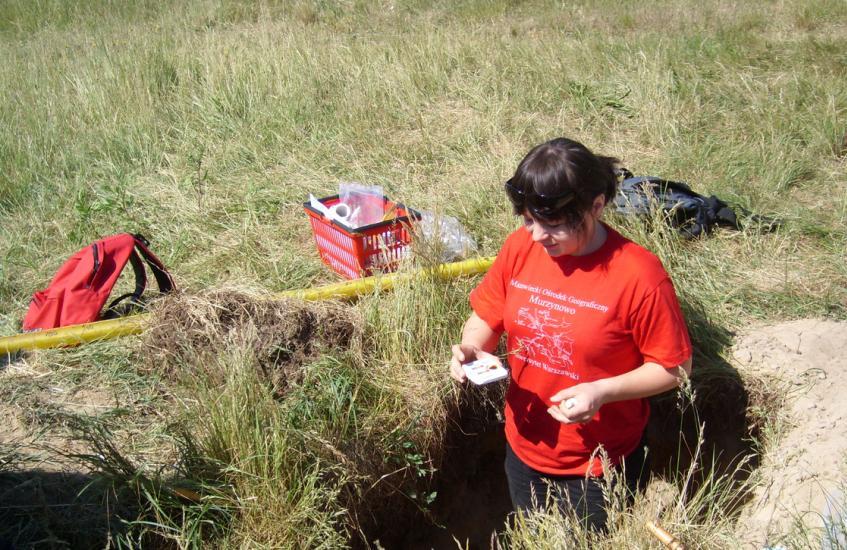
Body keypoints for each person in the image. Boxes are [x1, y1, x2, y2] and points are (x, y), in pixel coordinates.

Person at [449, 137, 693, 531]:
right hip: (523, 446)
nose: (537, 236)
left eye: (553, 224)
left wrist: (602, 392)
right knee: (535, 534)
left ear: (595, 206)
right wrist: (473, 347)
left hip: (599, 464)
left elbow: (675, 367)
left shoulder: (640, 276)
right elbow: (487, 315)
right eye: (528, 220)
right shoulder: (519, 249)